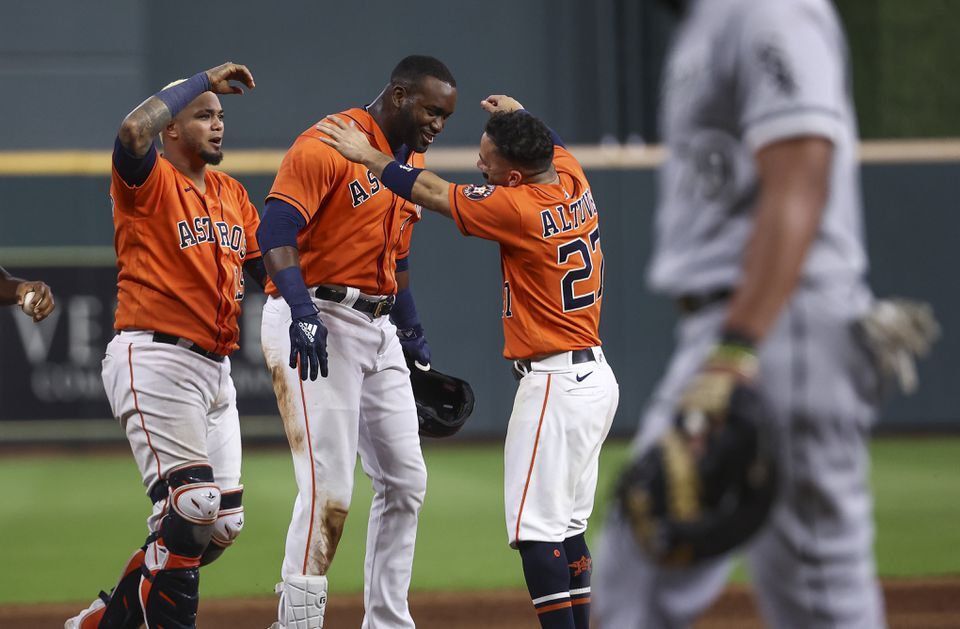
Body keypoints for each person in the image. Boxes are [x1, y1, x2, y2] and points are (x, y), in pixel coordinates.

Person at [591, 0, 888, 627]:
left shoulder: (769, 11)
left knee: (818, 598)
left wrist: (736, 349)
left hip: (780, 321)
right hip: (733, 328)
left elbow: (801, 175)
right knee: (635, 575)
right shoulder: (704, 25)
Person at [317, 94, 620, 629]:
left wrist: (367, 155)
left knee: (535, 534)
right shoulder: (572, 179)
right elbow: (550, 144)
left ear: (515, 175)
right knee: (568, 529)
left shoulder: (517, 207)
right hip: (595, 380)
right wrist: (521, 113)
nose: (480, 165)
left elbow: (431, 191)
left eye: (489, 160)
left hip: (554, 383)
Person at [256, 55, 456, 629]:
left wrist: (412, 330)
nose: (438, 123)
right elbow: (275, 230)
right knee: (329, 489)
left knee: (406, 481)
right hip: (315, 314)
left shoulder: (409, 159)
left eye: (445, 115)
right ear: (397, 95)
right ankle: (296, 622)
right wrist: (299, 310)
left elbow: (399, 255)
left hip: (379, 325)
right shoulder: (327, 144)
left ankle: (388, 622)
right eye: (430, 109)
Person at [66, 61, 264, 629]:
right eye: (204, 115)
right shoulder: (146, 179)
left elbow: (264, 272)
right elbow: (132, 131)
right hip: (155, 355)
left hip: (216, 368)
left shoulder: (231, 193)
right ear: (171, 129)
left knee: (220, 524)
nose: (218, 124)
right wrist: (199, 80)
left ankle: (109, 620)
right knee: (191, 505)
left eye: (221, 116)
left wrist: (307, 307)